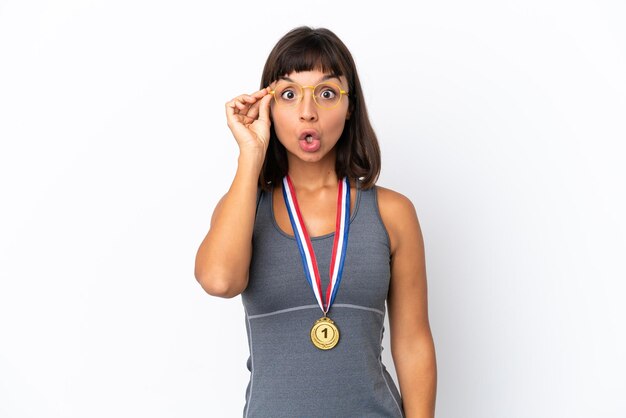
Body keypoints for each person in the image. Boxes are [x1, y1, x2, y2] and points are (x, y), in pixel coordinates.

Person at [194, 26, 437, 418]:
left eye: (327, 93)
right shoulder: (242, 208)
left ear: (350, 105)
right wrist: (250, 155)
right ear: (268, 105)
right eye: (289, 94)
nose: (308, 111)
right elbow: (219, 281)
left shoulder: (393, 213)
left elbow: (413, 342)